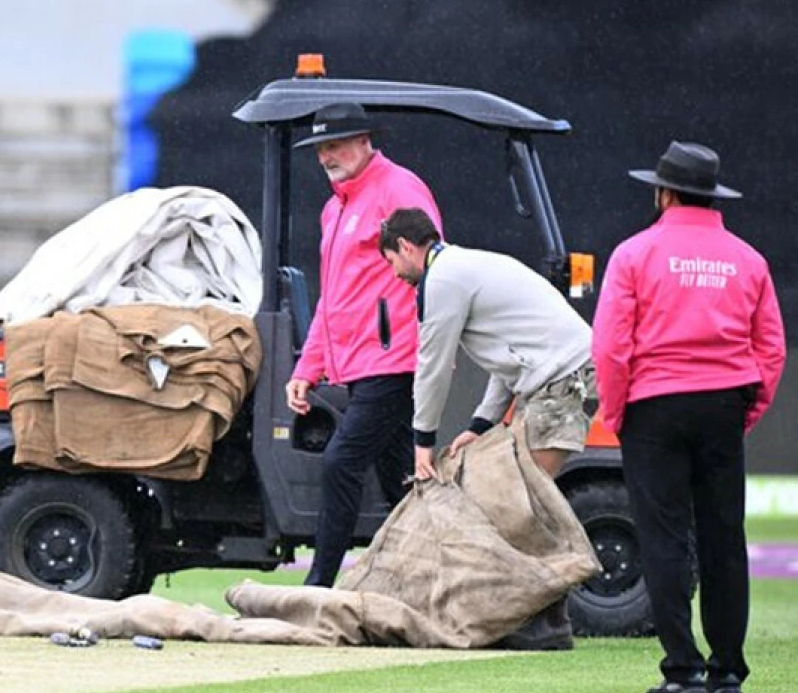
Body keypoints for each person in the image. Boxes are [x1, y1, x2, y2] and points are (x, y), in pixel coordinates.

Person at [593, 142, 785, 693]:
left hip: (652, 406)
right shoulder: (748, 259)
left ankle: (684, 669)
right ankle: (728, 668)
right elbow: (769, 347)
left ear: (664, 192)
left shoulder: (634, 254)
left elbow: (611, 345)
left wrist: (617, 408)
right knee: (724, 538)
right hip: (723, 403)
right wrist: (749, 408)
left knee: (664, 539)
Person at [284, 102, 443, 587]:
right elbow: (334, 297)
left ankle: (319, 585)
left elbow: (433, 266)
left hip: (392, 361)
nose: (326, 156)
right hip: (362, 365)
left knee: (341, 463)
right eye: (320, 148)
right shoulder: (335, 207)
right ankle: (431, 581)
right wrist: (307, 368)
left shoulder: (398, 188)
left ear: (364, 140)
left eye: (334, 144)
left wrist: (422, 347)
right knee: (403, 483)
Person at [376, 206, 595, 482]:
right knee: (516, 492)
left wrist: (422, 443)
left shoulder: (442, 279)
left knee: (526, 496)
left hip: (562, 381)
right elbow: (509, 359)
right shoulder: (467, 264)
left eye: (390, 261)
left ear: (405, 247)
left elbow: (433, 368)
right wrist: (481, 425)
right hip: (572, 374)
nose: (395, 274)